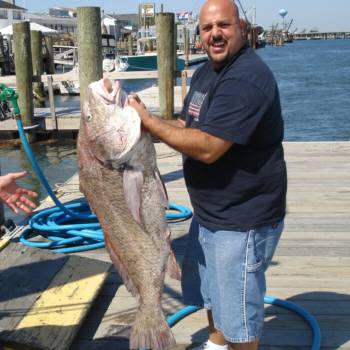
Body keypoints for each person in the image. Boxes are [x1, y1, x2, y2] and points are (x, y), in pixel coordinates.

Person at [129, 0, 287, 349]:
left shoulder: (247, 78)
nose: (214, 34)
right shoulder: (206, 72)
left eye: (223, 26)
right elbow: (187, 125)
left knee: (240, 319)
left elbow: (208, 147)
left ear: (241, 29)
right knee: (214, 296)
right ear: (199, 35)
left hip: (243, 219)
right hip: (210, 213)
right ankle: (216, 346)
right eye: (206, 28)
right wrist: (136, 126)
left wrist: (149, 121)